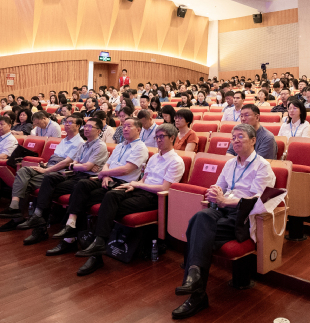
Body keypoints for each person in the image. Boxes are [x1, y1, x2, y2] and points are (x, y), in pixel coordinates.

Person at [172, 123, 275, 319]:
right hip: (222, 208)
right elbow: (219, 186)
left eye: (240, 137)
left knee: (198, 231)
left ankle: (196, 290)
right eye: (233, 137)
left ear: (253, 140)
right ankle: (195, 279)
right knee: (200, 217)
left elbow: (256, 200)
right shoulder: (229, 164)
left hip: (243, 216)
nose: (235, 140)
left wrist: (225, 200)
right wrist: (215, 192)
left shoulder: (263, 166)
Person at [75, 123, 185, 272]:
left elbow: (164, 188)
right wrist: (133, 185)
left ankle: (97, 252)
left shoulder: (176, 161)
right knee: (111, 195)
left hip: (154, 197)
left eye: (162, 137)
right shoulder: (154, 158)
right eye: (156, 137)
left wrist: (137, 185)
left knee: (108, 208)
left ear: (172, 138)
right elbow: (144, 179)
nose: (158, 140)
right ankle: (99, 244)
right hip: (140, 189)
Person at [48, 117, 149, 275]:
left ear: (138, 130)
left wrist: (104, 173)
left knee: (85, 198)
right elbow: (108, 164)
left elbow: (127, 169)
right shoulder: (120, 145)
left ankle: (89, 251)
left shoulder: (140, 147)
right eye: (124, 126)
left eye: (129, 126)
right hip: (108, 179)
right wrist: (105, 174)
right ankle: (71, 229)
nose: (125, 128)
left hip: (123, 185)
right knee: (81, 187)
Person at [19, 117, 110, 246]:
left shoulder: (99, 146)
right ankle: (38, 217)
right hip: (76, 175)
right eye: (86, 126)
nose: (86, 129)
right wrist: (79, 165)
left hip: (87, 179)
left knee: (52, 190)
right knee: (49, 181)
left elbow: (85, 167)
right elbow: (77, 164)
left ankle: (50, 229)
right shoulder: (84, 145)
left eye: (90, 127)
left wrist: (79, 166)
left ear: (99, 131)